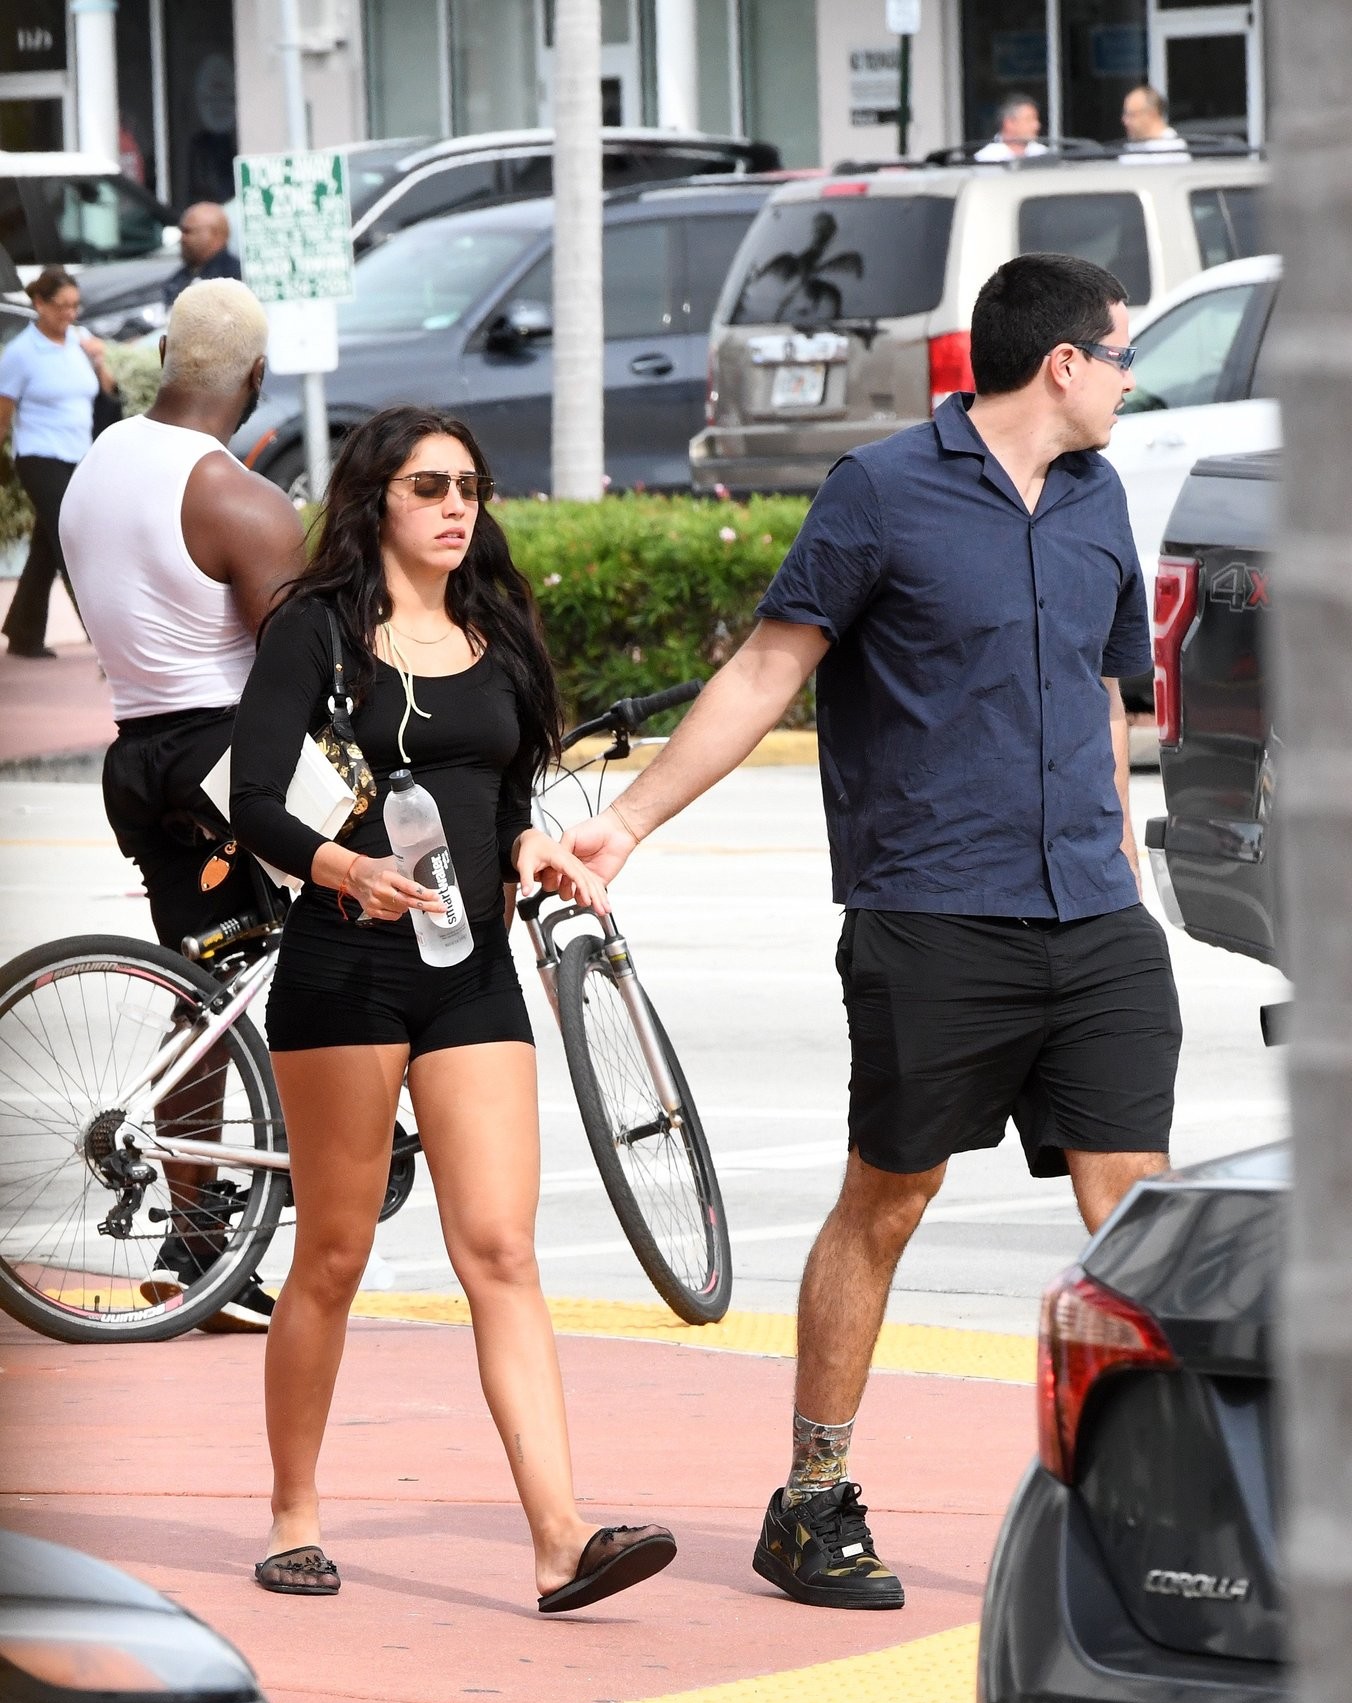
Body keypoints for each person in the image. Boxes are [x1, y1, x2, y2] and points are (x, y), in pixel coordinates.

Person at [564, 253, 1181, 1612]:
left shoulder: (1099, 495)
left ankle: (1144, 1504)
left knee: (1137, 1209)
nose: (1131, 378)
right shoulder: (882, 491)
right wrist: (631, 822)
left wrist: (1125, 864)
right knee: (888, 1200)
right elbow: (767, 670)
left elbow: (1102, 691)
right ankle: (811, 1499)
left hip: (1094, 918)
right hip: (934, 914)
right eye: (1121, 353)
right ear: (1062, 364)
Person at [227, 404, 679, 1608]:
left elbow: (509, 787)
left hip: (471, 970)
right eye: (428, 487)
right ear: (375, 497)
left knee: (502, 1249)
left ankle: (559, 1536)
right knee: (333, 1253)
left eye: (469, 487)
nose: (454, 507)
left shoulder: (496, 629)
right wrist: (343, 867)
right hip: (346, 969)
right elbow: (253, 799)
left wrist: (532, 845)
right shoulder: (317, 632)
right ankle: (292, 1514)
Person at [60, 277, 307, 1330]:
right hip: (227, 754)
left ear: (165, 356)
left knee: (207, 990)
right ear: (257, 377)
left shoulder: (93, 469)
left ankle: (201, 1246)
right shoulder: (238, 498)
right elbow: (301, 669)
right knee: (382, 901)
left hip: (138, 758)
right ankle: (331, 1160)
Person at [0, 267, 116, 659]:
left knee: (47, 545)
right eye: (62, 306)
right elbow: (2, 415)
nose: (70, 313)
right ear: (40, 304)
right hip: (39, 456)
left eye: (74, 305)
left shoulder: (80, 341)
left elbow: (107, 392)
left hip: (79, 456)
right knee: (71, 539)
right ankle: (104, 636)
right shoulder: (21, 353)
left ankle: (23, 633)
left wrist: (99, 361)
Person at [162, 203, 241, 306]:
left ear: (216, 234)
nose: (182, 239)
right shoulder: (178, 279)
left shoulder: (234, 279)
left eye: (188, 231)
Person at [1120, 85, 1188, 160]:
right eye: (1125, 114)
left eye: (1132, 115)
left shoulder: (1173, 148)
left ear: (1152, 114)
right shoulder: (1131, 147)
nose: (1125, 120)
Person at [974, 95, 1048, 162]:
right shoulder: (986, 158)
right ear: (1009, 123)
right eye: (1029, 120)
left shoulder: (1044, 154)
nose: (1037, 125)